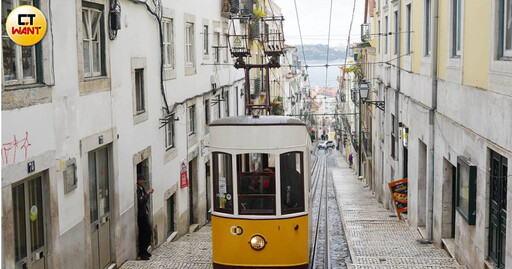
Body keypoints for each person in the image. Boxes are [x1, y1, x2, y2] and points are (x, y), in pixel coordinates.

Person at [137, 176, 154, 260]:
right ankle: (142, 252)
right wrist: (147, 193)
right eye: (141, 180)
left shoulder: (141, 188)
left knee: (148, 233)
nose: (143, 181)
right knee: (145, 233)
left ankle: (144, 251)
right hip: (141, 216)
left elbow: (144, 200)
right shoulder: (137, 190)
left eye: (143, 180)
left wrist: (146, 194)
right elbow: (141, 201)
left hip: (144, 214)